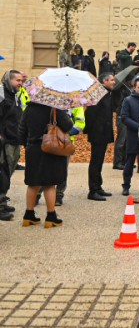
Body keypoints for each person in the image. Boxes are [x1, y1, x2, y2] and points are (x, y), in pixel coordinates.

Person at [19, 100, 72, 228]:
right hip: (50, 148)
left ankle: (28, 215)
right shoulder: (54, 109)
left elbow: (21, 132)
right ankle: (50, 216)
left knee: (33, 183)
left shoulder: (28, 110)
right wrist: (63, 110)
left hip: (32, 149)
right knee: (49, 183)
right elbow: (68, 125)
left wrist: (28, 145)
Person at [83, 70, 116, 201]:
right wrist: (88, 130)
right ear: (104, 81)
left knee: (100, 160)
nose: (113, 82)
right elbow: (90, 114)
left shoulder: (107, 93)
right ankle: (93, 190)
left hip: (104, 132)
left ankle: (98, 186)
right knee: (95, 162)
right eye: (111, 80)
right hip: (97, 133)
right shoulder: (97, 94)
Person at [0, 70, 22, 219]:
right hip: (5, 142)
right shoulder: (2, 97)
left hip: (15, 140)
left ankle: (2, 200)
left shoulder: (16, 96)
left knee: (8, 173)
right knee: (3, 175)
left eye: (21, 80)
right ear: (9, 80)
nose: (21, 83)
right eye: (18, 80)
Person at [119, 78, 139, 196]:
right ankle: (126, 185)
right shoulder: (128, 100)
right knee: (130, 161)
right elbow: (124, 117)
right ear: (134, 87)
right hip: (132, 135)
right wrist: (138, 126)